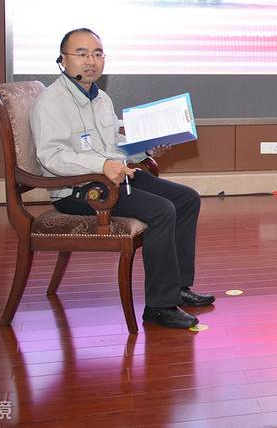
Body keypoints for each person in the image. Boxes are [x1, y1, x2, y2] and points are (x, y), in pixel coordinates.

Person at [30, 28, 214, 329]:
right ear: (62, 59)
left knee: (186, 199)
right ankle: (159, 306)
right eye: (82, 54)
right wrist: (103, 165)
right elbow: (51, 156)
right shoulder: (51, 102)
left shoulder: (100, 97)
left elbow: (112, 145)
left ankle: (178, 287)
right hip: (76, 190)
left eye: (97, 54)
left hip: (108, 179)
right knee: (162, 210)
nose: (91, 61)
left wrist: (147, 147)